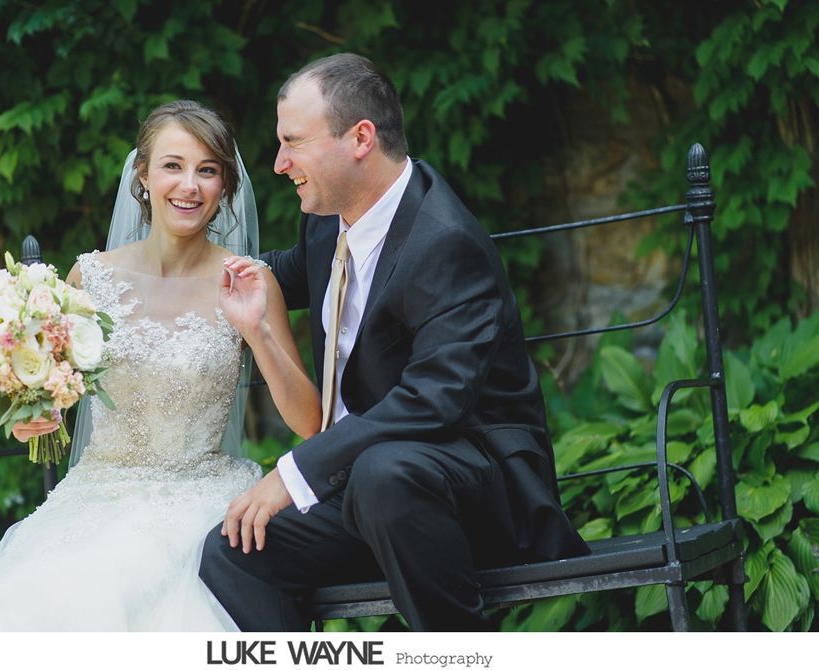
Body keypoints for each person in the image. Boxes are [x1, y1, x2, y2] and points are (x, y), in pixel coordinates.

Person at [199, 53, 590, 632]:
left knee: (386, 473)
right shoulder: (328, 217)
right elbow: (276, 272)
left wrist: (295, 470)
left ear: (360, 138)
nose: (280, 164)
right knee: (236, 551)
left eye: (294, 142)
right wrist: (156, 281)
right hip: (366, 492)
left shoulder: (445, 244)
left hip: (471, 497)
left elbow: (433, 400)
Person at [0, 100, 320, 631]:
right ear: (142, 176)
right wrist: (32, 419)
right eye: (173, 165)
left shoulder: (250, 280)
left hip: (196, 498)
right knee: (10, 608)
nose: (189, 185)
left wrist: (255, 330)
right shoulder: (89, 278)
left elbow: (309, 423)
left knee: (110, 591)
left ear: (225, 187)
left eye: (207, 170)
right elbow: (53, 400)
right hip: (93, 498)